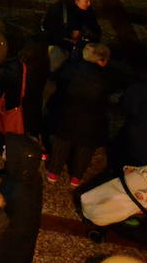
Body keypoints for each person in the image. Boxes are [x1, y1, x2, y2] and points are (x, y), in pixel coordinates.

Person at [46, 42, 112, 187]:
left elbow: (57, 81)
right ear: (102, 60)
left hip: (67, 113)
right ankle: (76, 176)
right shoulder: (106, 77)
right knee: (85, 148)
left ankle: (54, 172)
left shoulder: (71, 68)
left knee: (61, 143)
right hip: (91, 120)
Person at [0, 133, 43, 263]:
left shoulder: (19, 191)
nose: (4, 149)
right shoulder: (30, 175)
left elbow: (16, 228)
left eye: (8, 149)